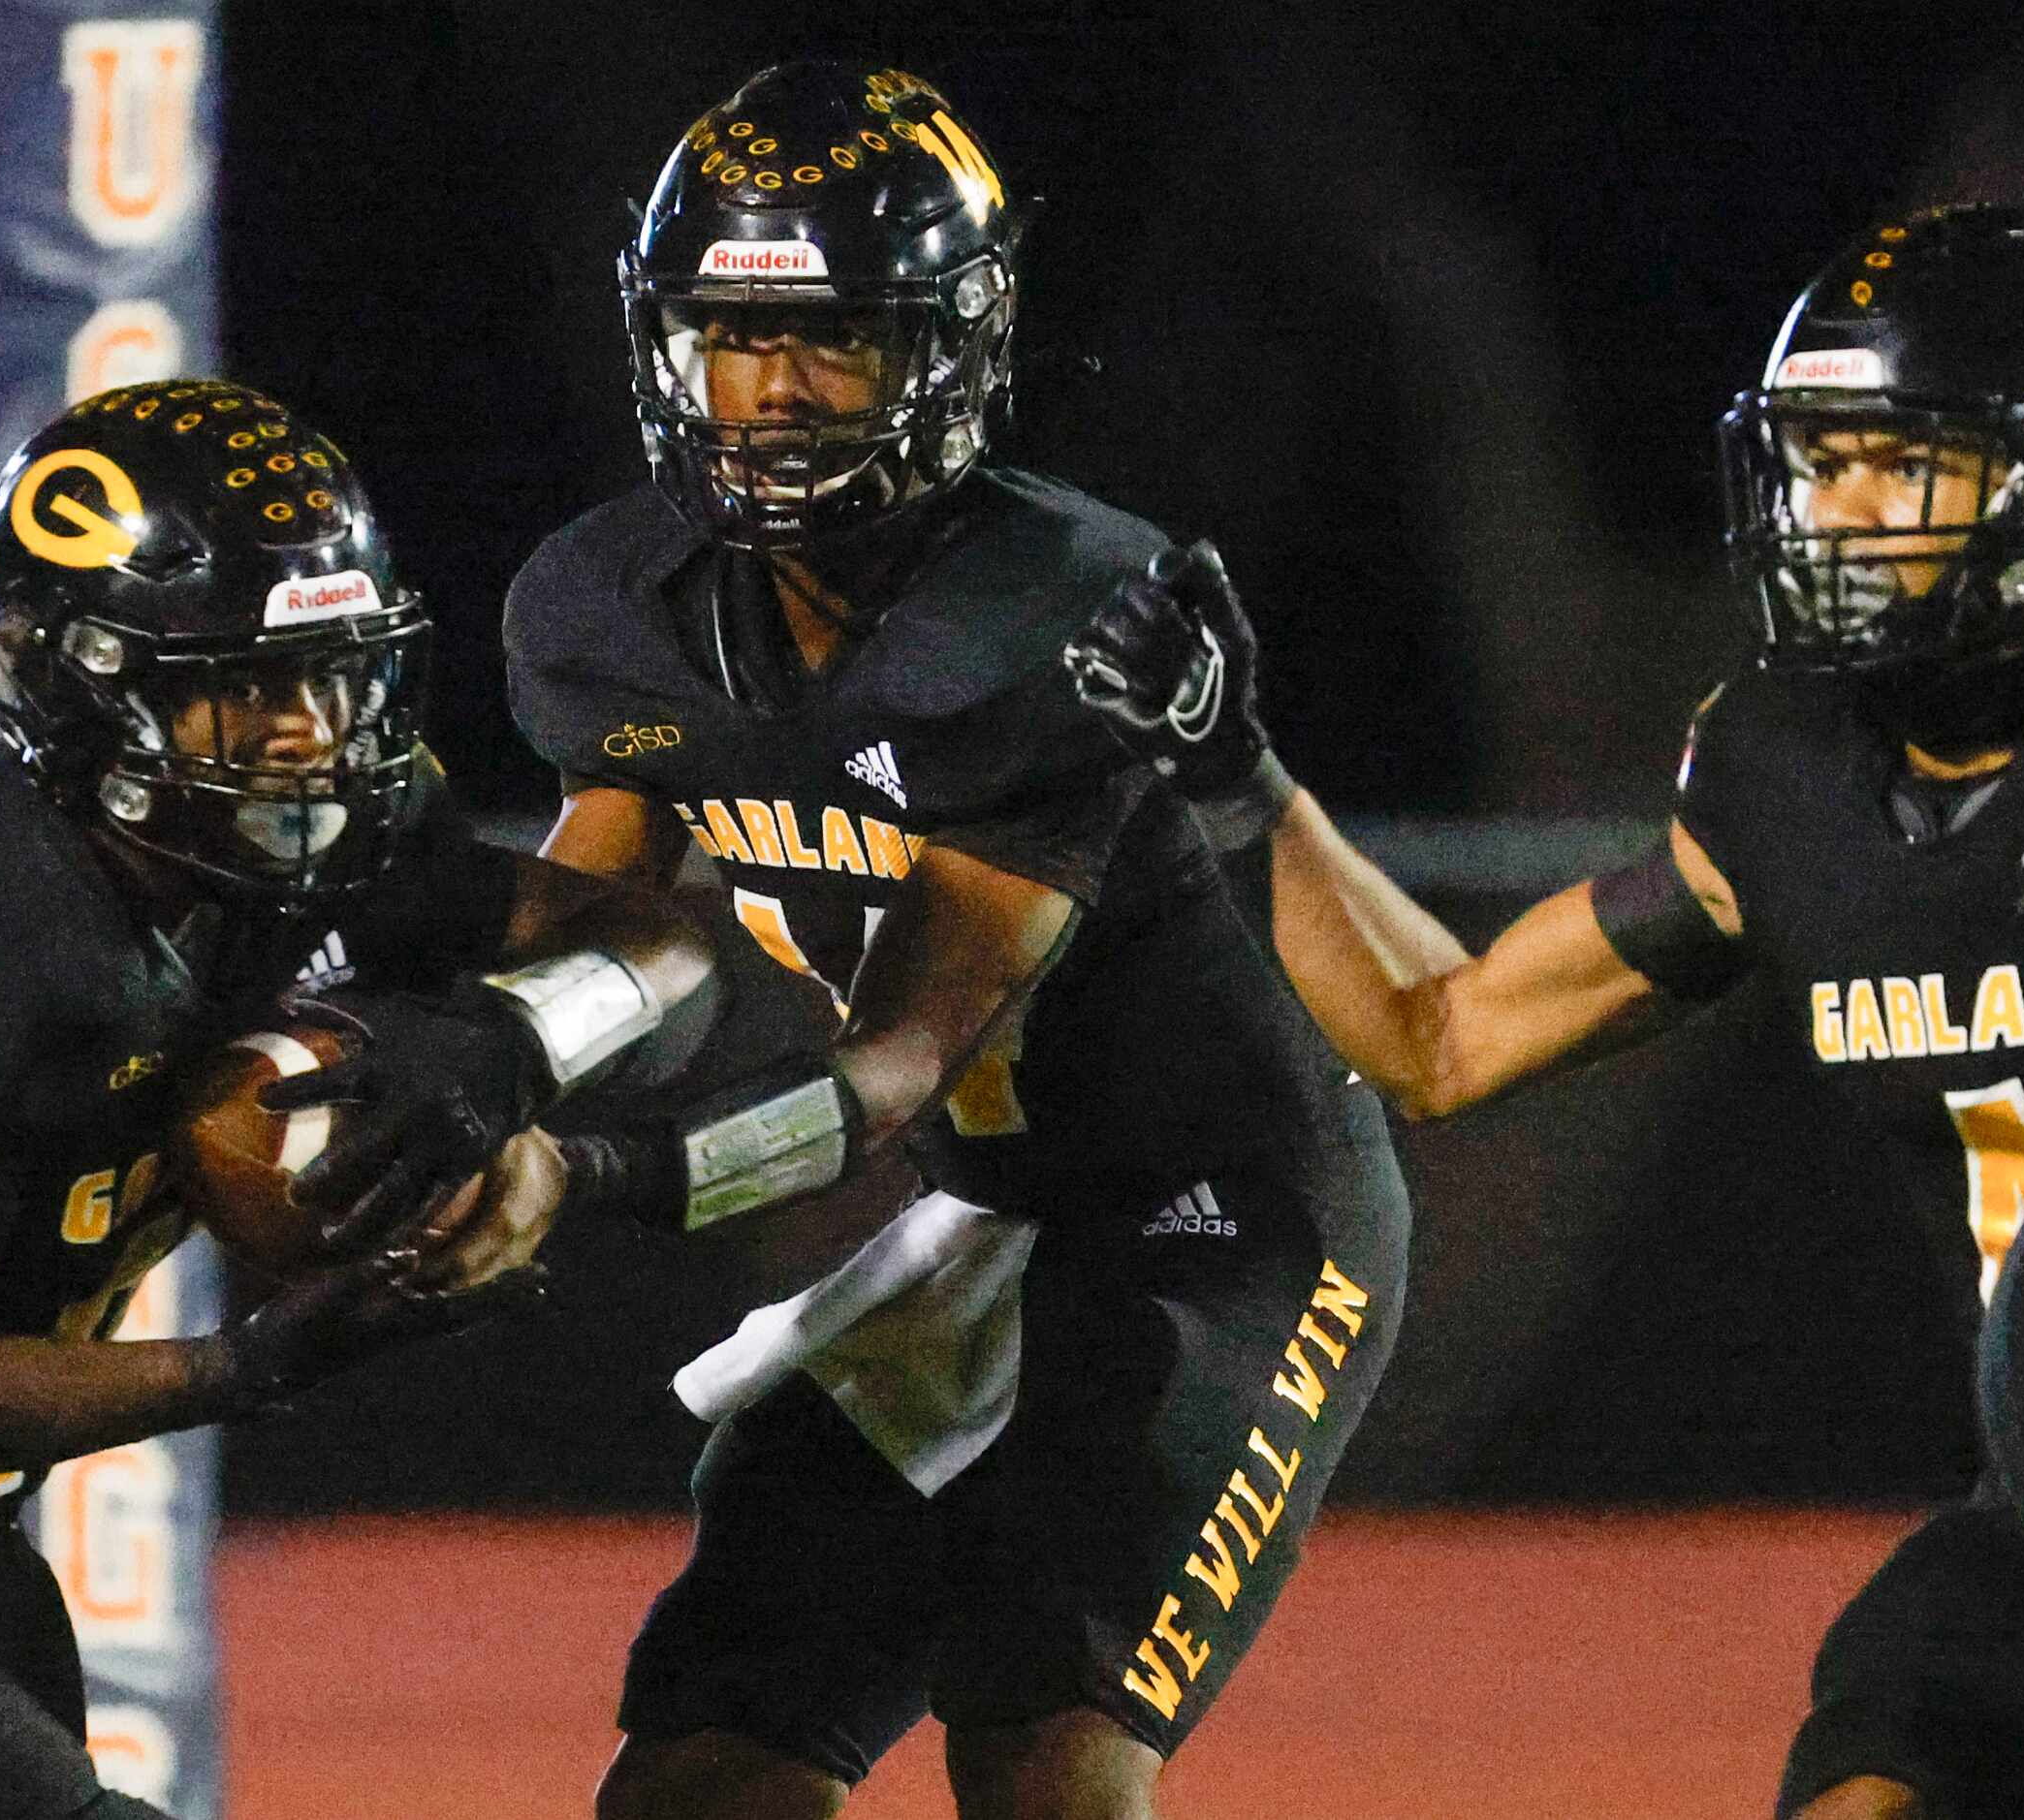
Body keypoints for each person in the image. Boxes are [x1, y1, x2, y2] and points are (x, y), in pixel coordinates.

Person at [0, 378, 723, 1820]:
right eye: (250, 684)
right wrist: (249, 1364)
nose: (309, 736)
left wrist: (517, 1042)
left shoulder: (341, 835)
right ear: (88, 685)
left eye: (333, 675)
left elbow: (666, 944)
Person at [1065, 203, 2024, 1819]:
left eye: (1903, 460)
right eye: (1821, 460)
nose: (1842, 511)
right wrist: (1236, 778)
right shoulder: (1783, 772)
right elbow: (1441, 1037)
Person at [491, 61, 1412, 1820]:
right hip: (992, 1216)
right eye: (730, 339)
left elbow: (908, 1051)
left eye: (833, 340)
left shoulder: (1062, 614)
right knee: (698, 1772)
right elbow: (598, 912)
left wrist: (587, 1171)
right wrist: (425, 1029)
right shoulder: (619, 608)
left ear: (947, 350)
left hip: (1226, 1218)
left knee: (1044, 1748)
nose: (770, 392)